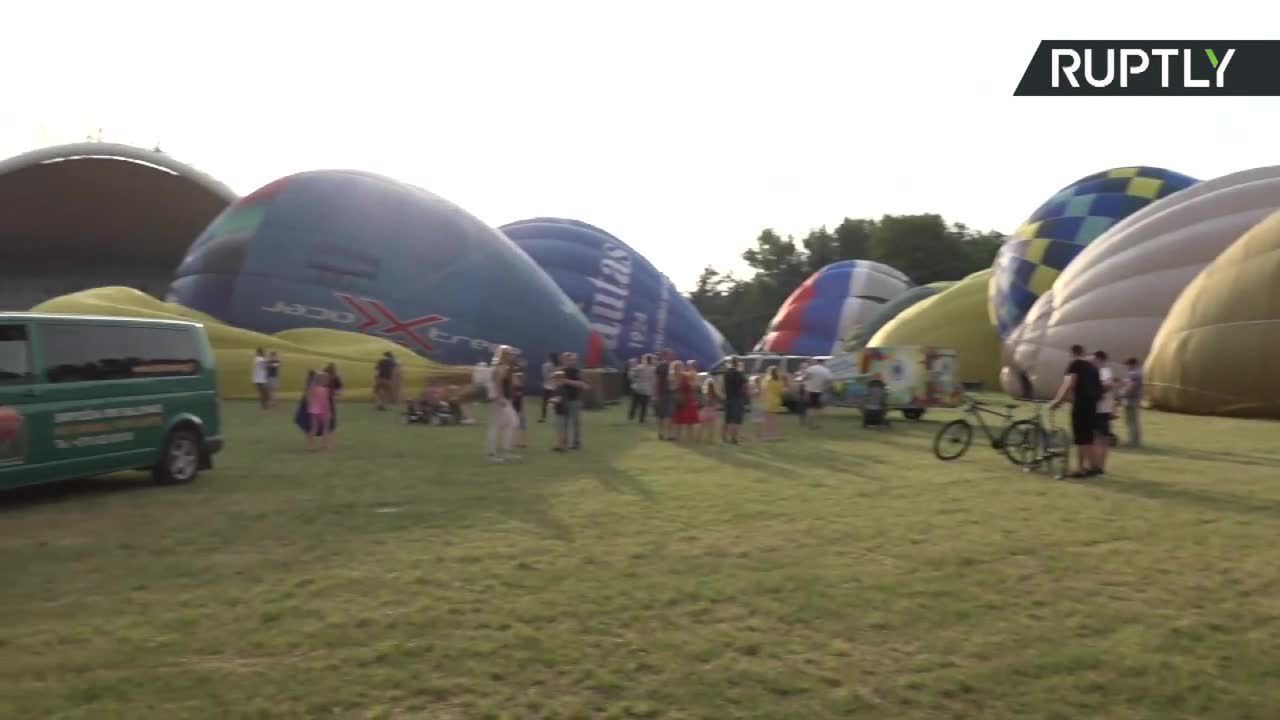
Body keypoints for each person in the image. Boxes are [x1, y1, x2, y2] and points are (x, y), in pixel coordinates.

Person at [1051, 344, 1103, 477]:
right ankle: (1092, 466)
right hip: (1092, 406)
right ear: (1083, 352)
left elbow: (1070, 383)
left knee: (1080, 438)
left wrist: (1058, 400)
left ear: (1072, 353)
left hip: (1081, 405)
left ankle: (1082, 469)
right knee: (1088, 438)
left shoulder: (1074, 364)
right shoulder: (1092, 367)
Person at [485, 346, 520, 463]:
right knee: (497, 425)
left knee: (510, 422)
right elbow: (497, 383)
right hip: (499, 399)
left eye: (510, 354)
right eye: (507, 354)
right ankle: (492, 454)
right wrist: (500, 397)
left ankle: (505, 451)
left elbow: (512, 383)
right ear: (501, 355)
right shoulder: (500, 368)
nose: (510, 356)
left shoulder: (506, 367)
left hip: (504, 399)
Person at [560, 352, 589, 450]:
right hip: (564, 399)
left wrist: (567, 381)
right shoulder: (561, 371)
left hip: (574, 400)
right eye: (569, 359)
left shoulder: (576, 371)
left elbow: (581, 384)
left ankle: (577, 443)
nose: (571, 361)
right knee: (564, 423)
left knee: (575, 423)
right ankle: (564, 443)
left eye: (573, 360)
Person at [1094, 350, 1117, 472]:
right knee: (1098, 438)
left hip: (1101, 410)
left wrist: (1095, 391)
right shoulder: (1101, 371)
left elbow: (1108, 386)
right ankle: (1098, 465)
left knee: (1100, 438)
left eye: (1095, 359)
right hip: (1100, 409)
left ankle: (1100, 465)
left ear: (1099, 359)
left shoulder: (1104, 371)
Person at [799, 358, 832, 429]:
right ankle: (813, 424)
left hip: (809, 390)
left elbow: (805, 378)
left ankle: (810, 423)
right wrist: (824, 389)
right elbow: (829, 382)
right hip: (819, 391)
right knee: (816, 408)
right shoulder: (826, 370)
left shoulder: (811, 368)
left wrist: (804, 383)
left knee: (810, 407)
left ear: (817, 361)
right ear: (823, 362)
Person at [670, 361, 698, 441]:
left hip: (687, 399)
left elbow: (693, 386)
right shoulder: (675, 377)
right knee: (680, 420)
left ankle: (689, 438)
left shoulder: (685, 376)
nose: (679, 369)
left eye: (680, 367)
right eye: (678, 367)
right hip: (681, 400)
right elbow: (673, 388)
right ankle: (680, 437)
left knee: (689, 420)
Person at [721, 357, 747, 444]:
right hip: (737, 398)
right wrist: (742, 370)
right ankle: (734, 438)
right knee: (736, 419)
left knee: (727, 419)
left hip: (728, 398)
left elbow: (723, 387)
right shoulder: (739, 373)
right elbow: (745, 383)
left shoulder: (726, 373)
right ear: (737, 364)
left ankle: (724, 437)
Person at [306, 371, 334, 451]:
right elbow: (325, 402)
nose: (327, 381)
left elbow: (309, 398)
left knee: (318, 428)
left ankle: (319, 445)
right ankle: (319, 445)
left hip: (318, 410)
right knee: (320, 428)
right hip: (319, 411)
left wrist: (310, 406)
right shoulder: (321, 389)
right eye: (326, 379)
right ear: (321, 380)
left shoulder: (318, 388)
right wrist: (328, 411)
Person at [1121, 357, 1144, 447]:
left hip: (1130, 400)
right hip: (1135, 400)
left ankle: (1132, 442)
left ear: (1132, 364)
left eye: (1128, 365)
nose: (1127, 367)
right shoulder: (1138, 373)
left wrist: (1121, 394)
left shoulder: (1134, 374)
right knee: (1135, 422)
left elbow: (1131, 387)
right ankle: (1136, 441)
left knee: (1131, 422)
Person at [653, 349, 675, 440]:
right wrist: (656, 395)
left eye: (672, 355)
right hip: (662, 393)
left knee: (670, 414)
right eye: (669, 355)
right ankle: (660, 433)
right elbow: (657, 381)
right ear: (664, 356)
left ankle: (669, 434)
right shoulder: (661, 366)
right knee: (661, 415)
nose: (671, 356)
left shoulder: (673, 366)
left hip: (671, 393)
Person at [761, 366, 785, 441]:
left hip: (768, 400)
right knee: (774, 419)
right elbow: (781, 391)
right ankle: (774, 434)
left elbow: (763, 389)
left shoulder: (766, 379)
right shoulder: (779, 380)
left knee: (767, 419)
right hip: (776, 401)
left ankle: (767, 434)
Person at [630, 355, 656, 424]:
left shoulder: (639, 367)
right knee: (644, 406)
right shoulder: (653, 369)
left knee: (634, 403)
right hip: (647, 389)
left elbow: (633, 376)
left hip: (638, 387)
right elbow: (654, 380)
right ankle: (641, 419)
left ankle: (631, 415)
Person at [549, 371, 571, 451]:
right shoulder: (559, 388)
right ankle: (562, 445)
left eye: (555, 379)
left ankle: (562, 446)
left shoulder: (560, 388)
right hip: (562, 411)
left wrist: (551, 401)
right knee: (562, 429)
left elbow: (559, 399)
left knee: (561, 429)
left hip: (561, 412)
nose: (554, 381)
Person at [699, 376, 721, 443]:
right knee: (711, 427)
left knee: (703, 426)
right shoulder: (715, 394)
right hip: (713, 411)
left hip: (705, 411)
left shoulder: (704, 393)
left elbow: (702, 402)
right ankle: (710, 440)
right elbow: (720, 400)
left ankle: (700, 439)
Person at [539, 352, 560, 423]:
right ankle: (544, 418)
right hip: (550, 386)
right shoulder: (548, 366)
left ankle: (545, 418)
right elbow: (545, 376)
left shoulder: (556, 367)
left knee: (551, 403)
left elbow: (545, 376)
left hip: (552, 387)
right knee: (547, 403)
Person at [511, 372, 528, 449]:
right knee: (517, 426)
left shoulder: (520, 388)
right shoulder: (514, 388)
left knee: (521, 426)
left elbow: (522, 400)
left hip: (519, 410)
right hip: (515, 410)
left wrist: (523, 411)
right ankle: (516, 442)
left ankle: (521, 442)